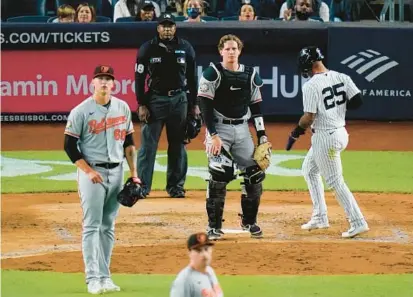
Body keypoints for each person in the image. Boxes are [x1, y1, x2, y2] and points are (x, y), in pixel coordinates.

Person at [64, 65, 141, 294]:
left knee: (108, 226)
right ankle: (92, 279)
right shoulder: (81, 111)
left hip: (117, 172)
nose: (105, 83)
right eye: (100, 79)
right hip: (92, 174)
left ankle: (106, 277)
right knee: (91, 226)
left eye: (108, 79)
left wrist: (134, 173)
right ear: (92, 84)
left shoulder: (123, 107)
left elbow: (129, 143)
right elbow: (69, 146)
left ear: (114, 84)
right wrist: (88, 171)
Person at [285, 46, 369, 238]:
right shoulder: (341, 76)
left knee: (335, 181)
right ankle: (320, 217)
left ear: (308, 64)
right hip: (340, 132)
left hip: (325, 138)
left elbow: (308, 117)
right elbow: (358, 102)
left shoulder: (311, 85)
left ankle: (358, 221)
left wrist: (296, 132)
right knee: (309, 169)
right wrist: (336, 107)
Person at [197, 34, 270, 240]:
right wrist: (213, 135)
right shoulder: (213, 73)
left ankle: (249, 222)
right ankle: (213, 226)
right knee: (219, 175)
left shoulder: (250, 74)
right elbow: (205, 106)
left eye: (234, 49)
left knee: (255, 174)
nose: (231, 52)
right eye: (227, 49)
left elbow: (256, 107)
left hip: (242, 129)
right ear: (221, 51)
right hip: (219, 129)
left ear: (240, 51)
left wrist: (262, 135)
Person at [135, 13, 199, 198]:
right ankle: (143, 187)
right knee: (148, 146)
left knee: (178, 145)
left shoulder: (185, 47)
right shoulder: (147, 48)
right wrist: (142, 104)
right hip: (155, 101)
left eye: (170, 25)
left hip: (179, 100)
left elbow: (193, 79)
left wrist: (194, 104)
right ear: (158, 28)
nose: (167, 29)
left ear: (175, 27)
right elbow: (139, 79)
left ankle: (175, 187)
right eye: (164, 26)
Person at [170, 232, 223, 297]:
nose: (204, 254)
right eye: (198, 250)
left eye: (206, 249)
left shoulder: (210, 271)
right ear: (189, 253)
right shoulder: (184, 281)